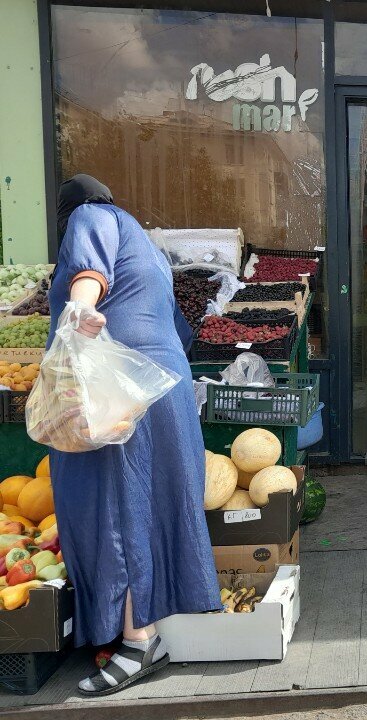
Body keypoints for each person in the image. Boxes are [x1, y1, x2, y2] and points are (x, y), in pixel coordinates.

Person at [46, 174, 221, 696]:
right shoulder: (147, 247)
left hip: (120, 394)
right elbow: (178, 331)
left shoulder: (92, 217)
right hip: (158, 387)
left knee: (117, 508)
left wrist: (81, 308)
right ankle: (137, 627)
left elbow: (87, 272)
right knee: (150, 504)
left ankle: (139, 642)